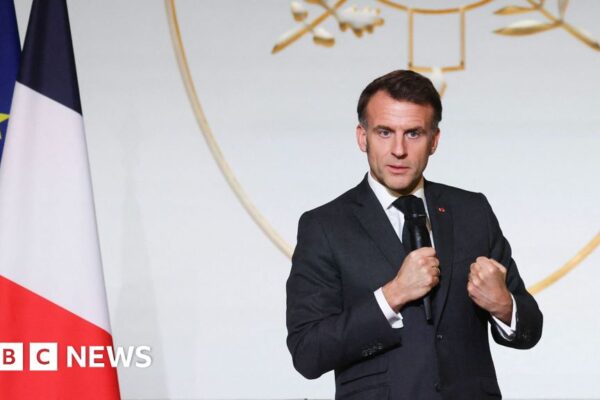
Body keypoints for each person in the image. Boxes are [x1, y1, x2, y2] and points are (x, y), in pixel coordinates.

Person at [286, 70, 543, 400]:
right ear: (362, 137)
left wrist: (504, 305)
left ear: (434, 140)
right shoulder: (325, 226)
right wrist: (391, 296)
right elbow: (308, 353)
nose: (398, 150)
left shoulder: (472, 211)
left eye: (413, 133)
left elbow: (530, 329)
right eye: (384, 132)